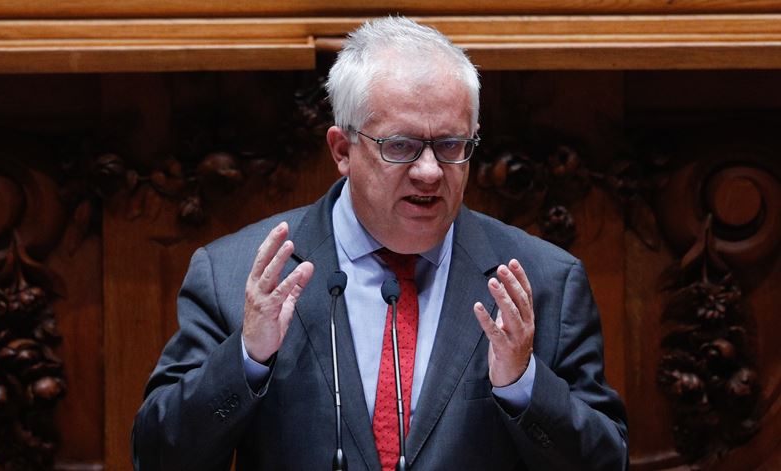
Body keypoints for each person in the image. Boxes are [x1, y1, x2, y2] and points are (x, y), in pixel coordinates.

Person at [132, 16, 628, 470]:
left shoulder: (545, 281)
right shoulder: (233, 274)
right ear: (343, 150)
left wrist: (524, 386)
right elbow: (157, 457)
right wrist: (245, 359)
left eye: (452, 145)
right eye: (401, 146)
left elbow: (607, 463)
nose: (431, 171)